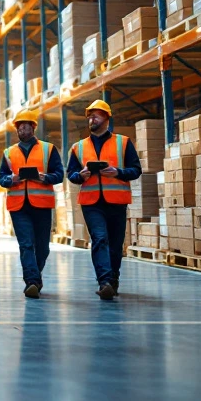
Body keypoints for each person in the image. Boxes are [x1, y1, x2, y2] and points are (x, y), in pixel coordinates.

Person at [66, 99, 142, 300]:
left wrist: (116, 172)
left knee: (116, 244)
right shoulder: (78, 147)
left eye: (97, 114)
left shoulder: (123, 142)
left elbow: (136, 170)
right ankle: (105, 281)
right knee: (100, 239)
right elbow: (71, 175)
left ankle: (113, 280)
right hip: (92, 202)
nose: (92, 118)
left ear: (107, 118)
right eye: (90, 115)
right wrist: (80, 175)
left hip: (117, 200)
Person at [0, 110, 63, 298]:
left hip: (41, 204)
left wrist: (45, 177)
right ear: (16, 129)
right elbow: (1, 179)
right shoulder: (8, 152)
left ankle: (36, 275)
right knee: (26, 244)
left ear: (33, 127)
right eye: (20, 126)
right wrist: (13, 179)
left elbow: (59, 174)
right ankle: (32, 281)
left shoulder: (48, 149)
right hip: (19, 206)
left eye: (26, 126)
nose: (23, 129)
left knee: (42, 247)